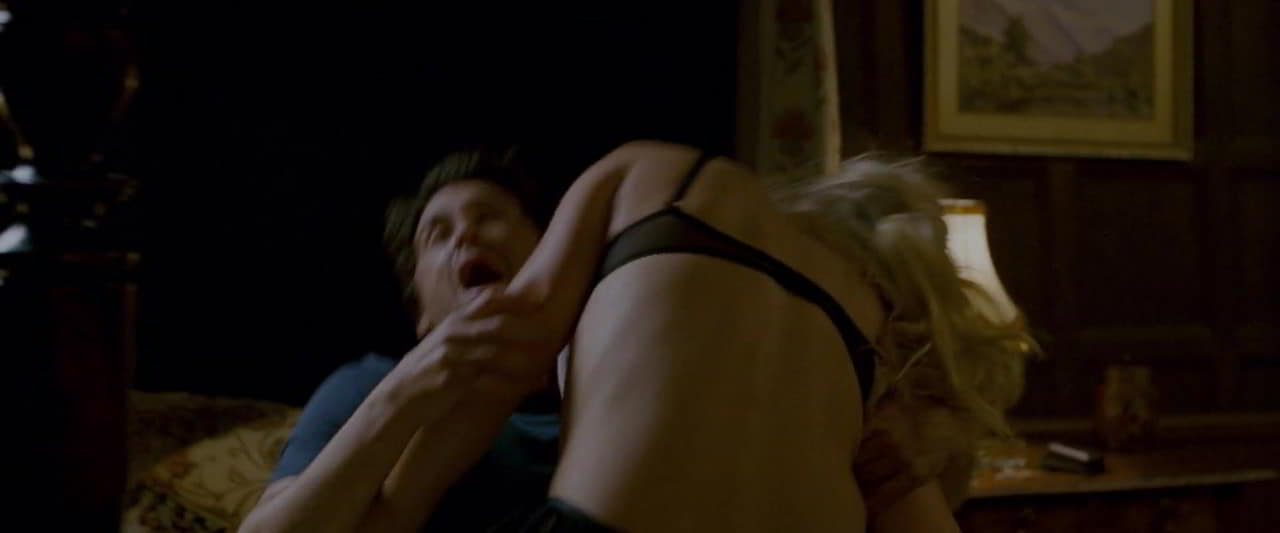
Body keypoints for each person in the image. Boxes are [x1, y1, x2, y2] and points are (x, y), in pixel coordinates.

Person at [241, 141, 1031, 532]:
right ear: (418, 309)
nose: (465, 235)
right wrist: (406, 391)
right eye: (437, 234)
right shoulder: (369, 384)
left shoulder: (672, 341)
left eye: (489, 217)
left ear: (556, 252)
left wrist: (893, 463)